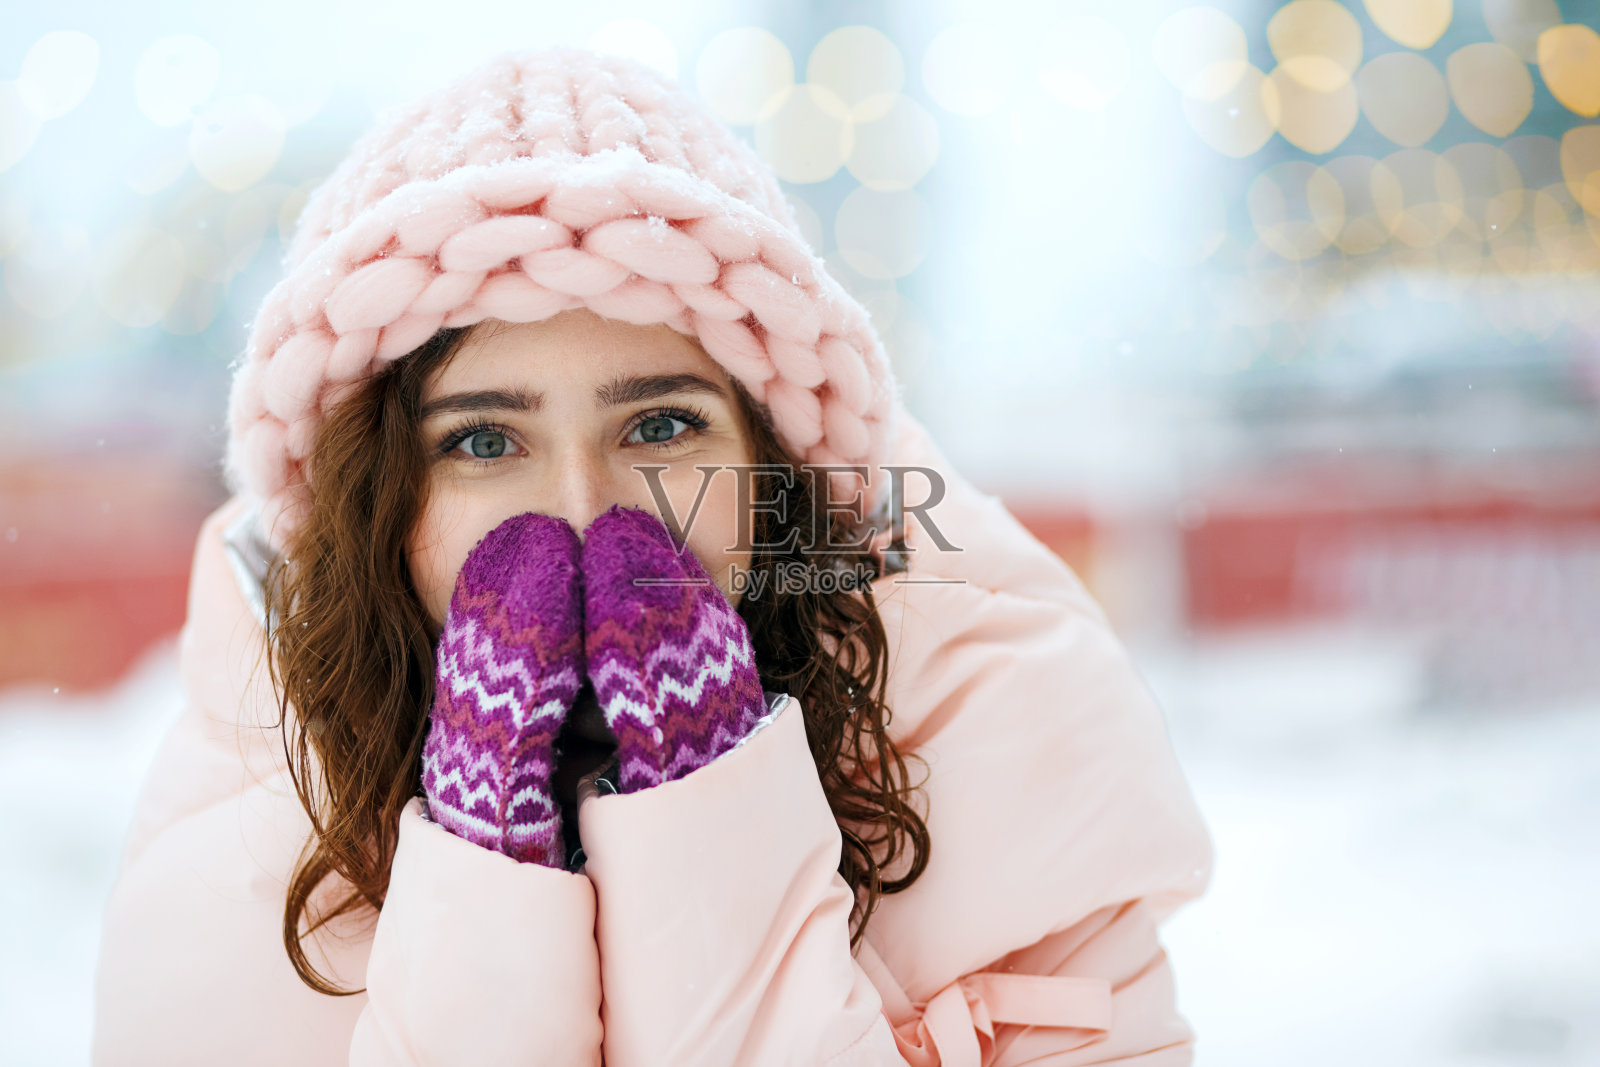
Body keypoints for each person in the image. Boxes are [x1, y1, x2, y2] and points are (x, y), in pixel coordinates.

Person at [90, 45, 1214, 1067]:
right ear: (374, 497)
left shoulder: (999, 745)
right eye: (486, 440)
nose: (583, 513)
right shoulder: (240, 834)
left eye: (661, 426)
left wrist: (711, 812)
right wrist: (484, 885)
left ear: (773, 464)